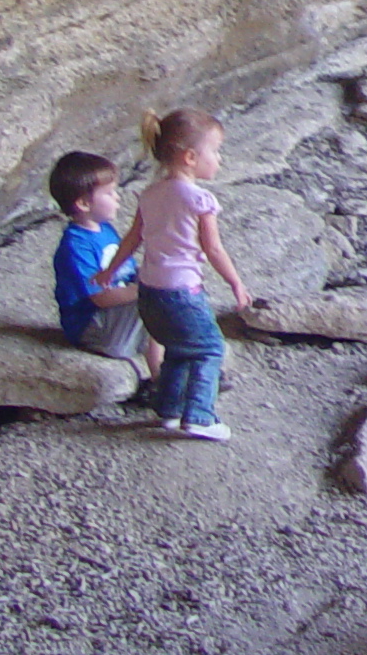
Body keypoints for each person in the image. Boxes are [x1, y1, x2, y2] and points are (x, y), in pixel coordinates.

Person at [95, 107, 248, 442]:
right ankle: (199, 416)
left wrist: (110, 270)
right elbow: (213, 249)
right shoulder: (199, 199)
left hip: (149, 291)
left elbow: (133, 237)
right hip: (181, 290)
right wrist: (235, 282)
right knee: (209, 349)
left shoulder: (150, 194)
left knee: (178, 349)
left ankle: (169, 409)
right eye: (215, 151)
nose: (219, 159)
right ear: (191, 157)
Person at [47, 151, 161, 390]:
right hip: (94, 327)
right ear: (83, 203)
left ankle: (179, 367)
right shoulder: (76, 245)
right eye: (109, 193)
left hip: (115, 314)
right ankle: (161, 381)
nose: (117, 198)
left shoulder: (105, 229)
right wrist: (147, 287)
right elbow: (100, 297)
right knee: (158, 298)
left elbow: (124, 271)